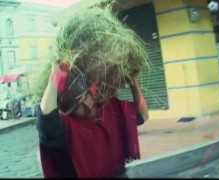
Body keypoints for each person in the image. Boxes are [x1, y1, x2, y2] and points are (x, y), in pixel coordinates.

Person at [35, 4, 149, 178]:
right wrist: (55, 77)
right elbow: (46, 122)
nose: (88, 101)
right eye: (82, 96)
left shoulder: (110, 111)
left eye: (91, 93)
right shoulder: (66, 127)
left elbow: (142, 115)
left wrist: (133, 82)